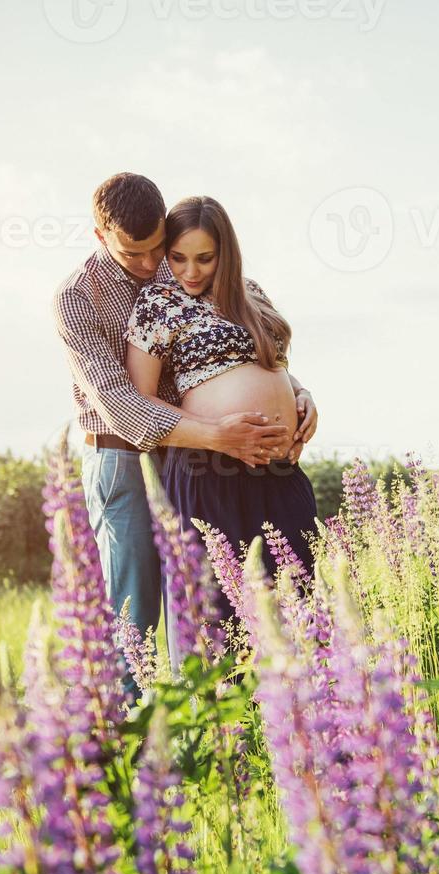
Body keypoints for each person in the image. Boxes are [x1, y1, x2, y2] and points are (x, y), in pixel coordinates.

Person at [54, 174, 318, 670]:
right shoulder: (76, 298)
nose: (153, 264)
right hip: (124, 451)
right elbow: (122, 402)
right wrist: (219, 436)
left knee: (225, 591)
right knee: (138, 603)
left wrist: (298, 394)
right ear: (100, 236)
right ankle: (132, 726)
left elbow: (241, 350)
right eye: (135, 254)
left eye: (160, 249)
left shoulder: (180, 265)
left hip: (216, 452)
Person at [125, 195, 322, 627]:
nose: (190, 272)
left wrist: (302, 394)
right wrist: (217, 432)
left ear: (225, 253)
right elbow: (141, 400)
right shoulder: (157, 303)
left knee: (303, 599)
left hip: (278, 468)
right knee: (227, 613)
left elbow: (273, 365)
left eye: (205, 259)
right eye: (178, 258)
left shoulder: (252, 293)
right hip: (208, 468)